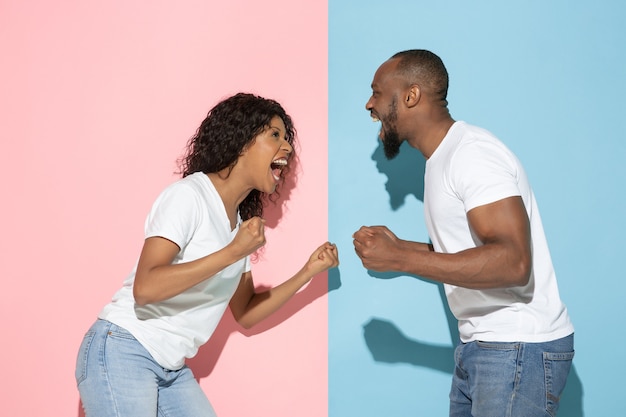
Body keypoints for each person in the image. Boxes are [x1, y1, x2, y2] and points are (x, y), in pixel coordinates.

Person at [75, 92, 339, 417]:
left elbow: (246, 311)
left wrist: (307, 273)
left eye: (287, 138)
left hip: (170, 369)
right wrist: (232, 252)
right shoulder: (189, 197)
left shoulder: (238, 226)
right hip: (123, 348)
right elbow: (146, 288)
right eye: (275, 135)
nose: (286, 147)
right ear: (242, 142)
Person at [353, 50, 574, 417]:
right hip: (485, 346)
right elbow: (470, 249)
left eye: (377, 92)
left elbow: (514, 262)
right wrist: (398, 247)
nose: (369, 104)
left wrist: (400, 258)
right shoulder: (441, 159)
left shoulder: (472, 154)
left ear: (411, 96)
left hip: (516, 347)